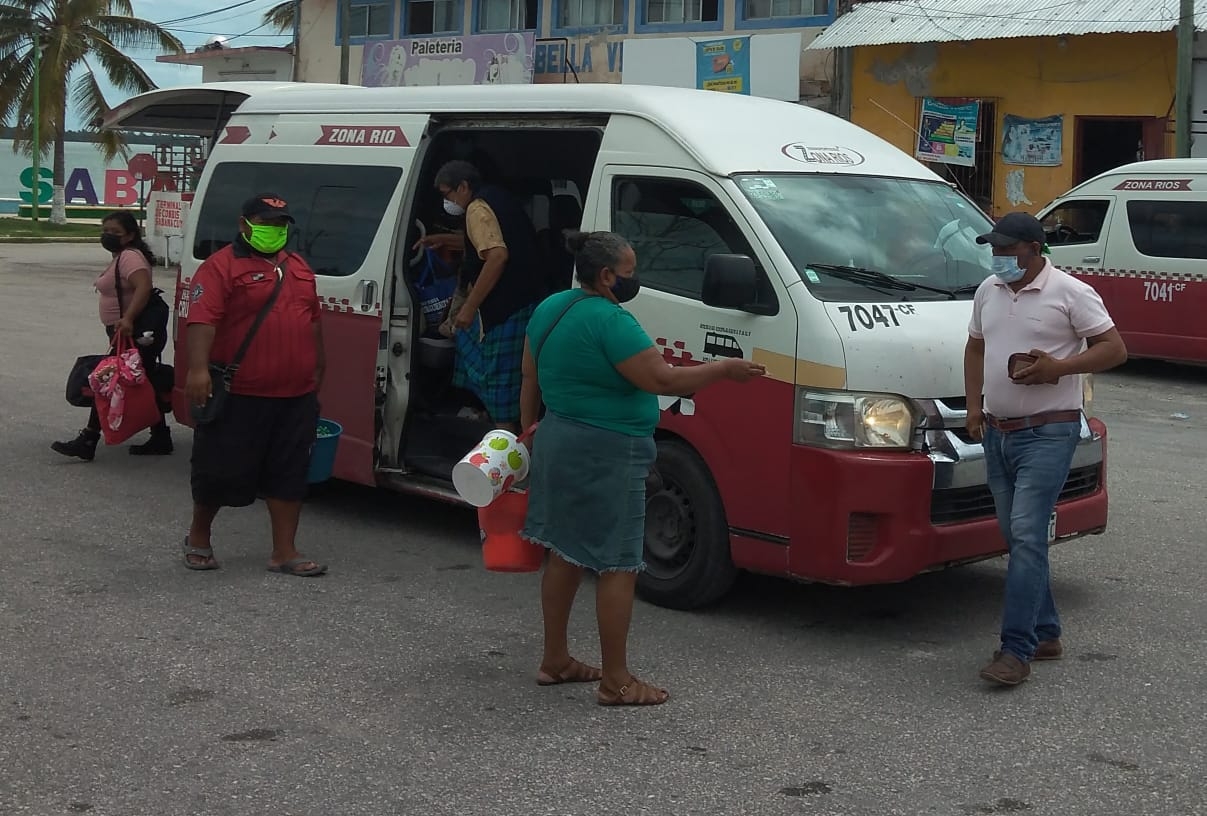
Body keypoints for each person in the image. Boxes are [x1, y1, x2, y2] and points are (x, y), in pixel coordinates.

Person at [519, 231, 765, 706]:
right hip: (608, 450)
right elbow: (662, 378)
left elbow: (530, 376)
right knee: (618, 562)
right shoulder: (613, 322)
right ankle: (617, 681)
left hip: (558, 439)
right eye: (631, 272)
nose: (636, 279)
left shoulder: (551, 307)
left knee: (565, 551)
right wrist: (723, 369)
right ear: (607, 275)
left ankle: (555, 659)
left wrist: (530, 432)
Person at [965, 211, 1127, 687]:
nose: (998, 258)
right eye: (993, 249)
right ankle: (1046, 631)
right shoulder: (987, 292)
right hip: (998, 431)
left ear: (1035, 250)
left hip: (1049, 432)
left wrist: (1059, 367)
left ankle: (1015, 649)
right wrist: (974, 408)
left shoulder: (1071, 293)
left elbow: (1114, 349)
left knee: (1027, 534)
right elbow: (975, 347)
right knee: (1019, 539)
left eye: (1008, 250)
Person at [182, 193, 327, 577]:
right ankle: (199, 537)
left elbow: (312, 321)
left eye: (281, 224)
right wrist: (198, 370)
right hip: (239, 392)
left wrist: (318, 369)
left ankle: (285, 552)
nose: (275, 231)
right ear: (244, 224)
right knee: (218, 470)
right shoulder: (220, 268)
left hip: (294, 394)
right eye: (266, 223)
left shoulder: (297, 266)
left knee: (290, 472)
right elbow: (202, 319)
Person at [419, 160, 545, 432]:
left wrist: (468, 307)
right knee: (519, 379)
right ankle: (513, 434)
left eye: (447, 194)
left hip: (503, 308)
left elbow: (497, 256)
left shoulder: (476, 208)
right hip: (524, 302)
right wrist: (442, 238)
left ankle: (503, 444)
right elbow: (482, 242)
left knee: (492, 373)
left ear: (463, 186)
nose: (448, 201)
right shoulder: (499, 198)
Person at [52, 211, 173, 461]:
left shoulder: (129, 257)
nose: (107, 236)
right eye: (105, 230)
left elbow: (144, 287)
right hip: (126, 331)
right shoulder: (121, 256)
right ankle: (161, 436)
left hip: (133, 331)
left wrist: (127, 318)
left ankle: (88, 439)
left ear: (129, 235)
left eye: (114, 232)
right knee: (140, 381)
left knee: (110, 382)